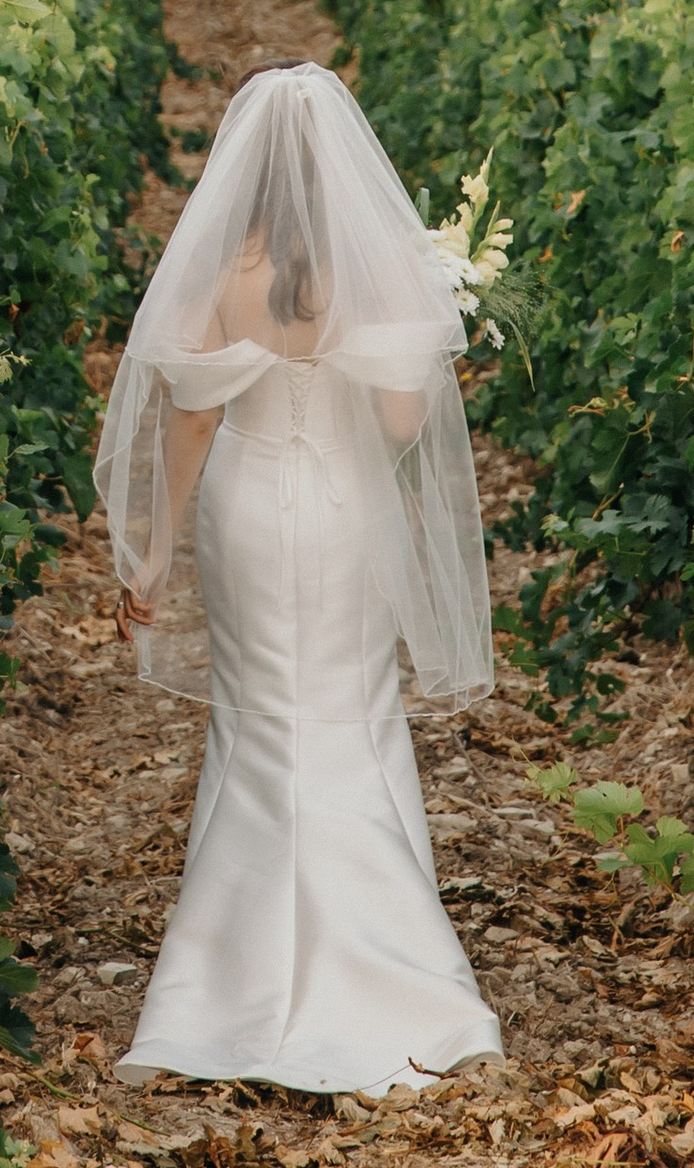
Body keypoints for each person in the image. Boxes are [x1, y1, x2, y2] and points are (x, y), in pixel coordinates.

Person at [96, 57, 501, 1097]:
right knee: (356, 710)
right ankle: (405, 983)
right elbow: (403, 427)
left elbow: (189, 419)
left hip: (246, 505)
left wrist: (156, 542)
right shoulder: (372, 270)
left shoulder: (220, 272)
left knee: (257, 716)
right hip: (345, 511)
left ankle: (212, 991)